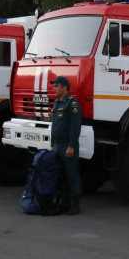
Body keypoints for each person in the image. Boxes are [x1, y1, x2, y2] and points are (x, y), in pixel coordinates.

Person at [49, 75, 82, 215]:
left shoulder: (72, 103)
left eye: (56, 86)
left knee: (71, 175)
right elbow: (54, 125)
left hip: (67, 146)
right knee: (61, 176)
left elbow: (75, 126)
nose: (54, 88)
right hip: (57, 145)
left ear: (64, 87)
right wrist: (52, 144)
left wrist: (72, 145)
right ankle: (64, 203)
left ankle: (75, 205)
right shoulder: (57, 103)